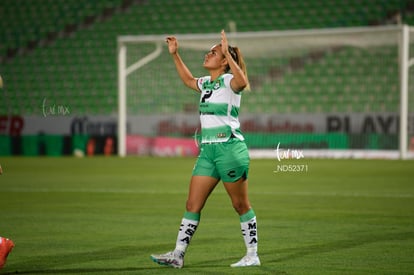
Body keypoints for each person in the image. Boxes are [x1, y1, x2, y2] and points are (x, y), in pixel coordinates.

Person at [150, 30, 260, 268]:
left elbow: (243, 81)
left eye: (214, 52)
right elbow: (189, 80)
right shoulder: (206, 83)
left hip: (230, 149)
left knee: (240, 205)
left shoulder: (230, 81)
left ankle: (252, 255)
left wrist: (227, 50)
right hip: (208, 152)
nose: (208, 53)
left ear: (224, 62)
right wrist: (175, 54)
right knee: (192, 205)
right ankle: (178, 254)